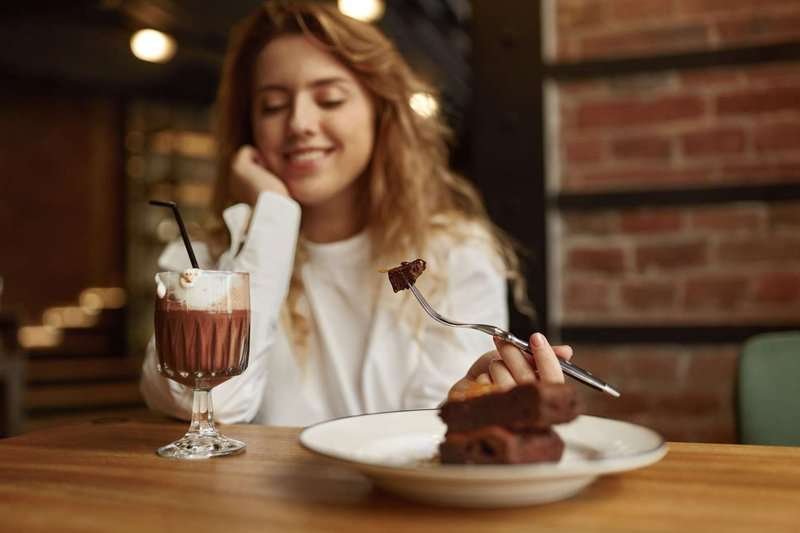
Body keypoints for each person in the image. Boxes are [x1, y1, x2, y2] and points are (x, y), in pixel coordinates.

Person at [140, 1, 572, 426]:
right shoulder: (204, 262)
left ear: (380, 114)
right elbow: (206, 406)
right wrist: (272, 220)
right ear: (249, 129)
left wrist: (471, 403)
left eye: (329, 99)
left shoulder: (455, 252)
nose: (300, 123)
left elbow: (433, 431)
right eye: (272, 106)